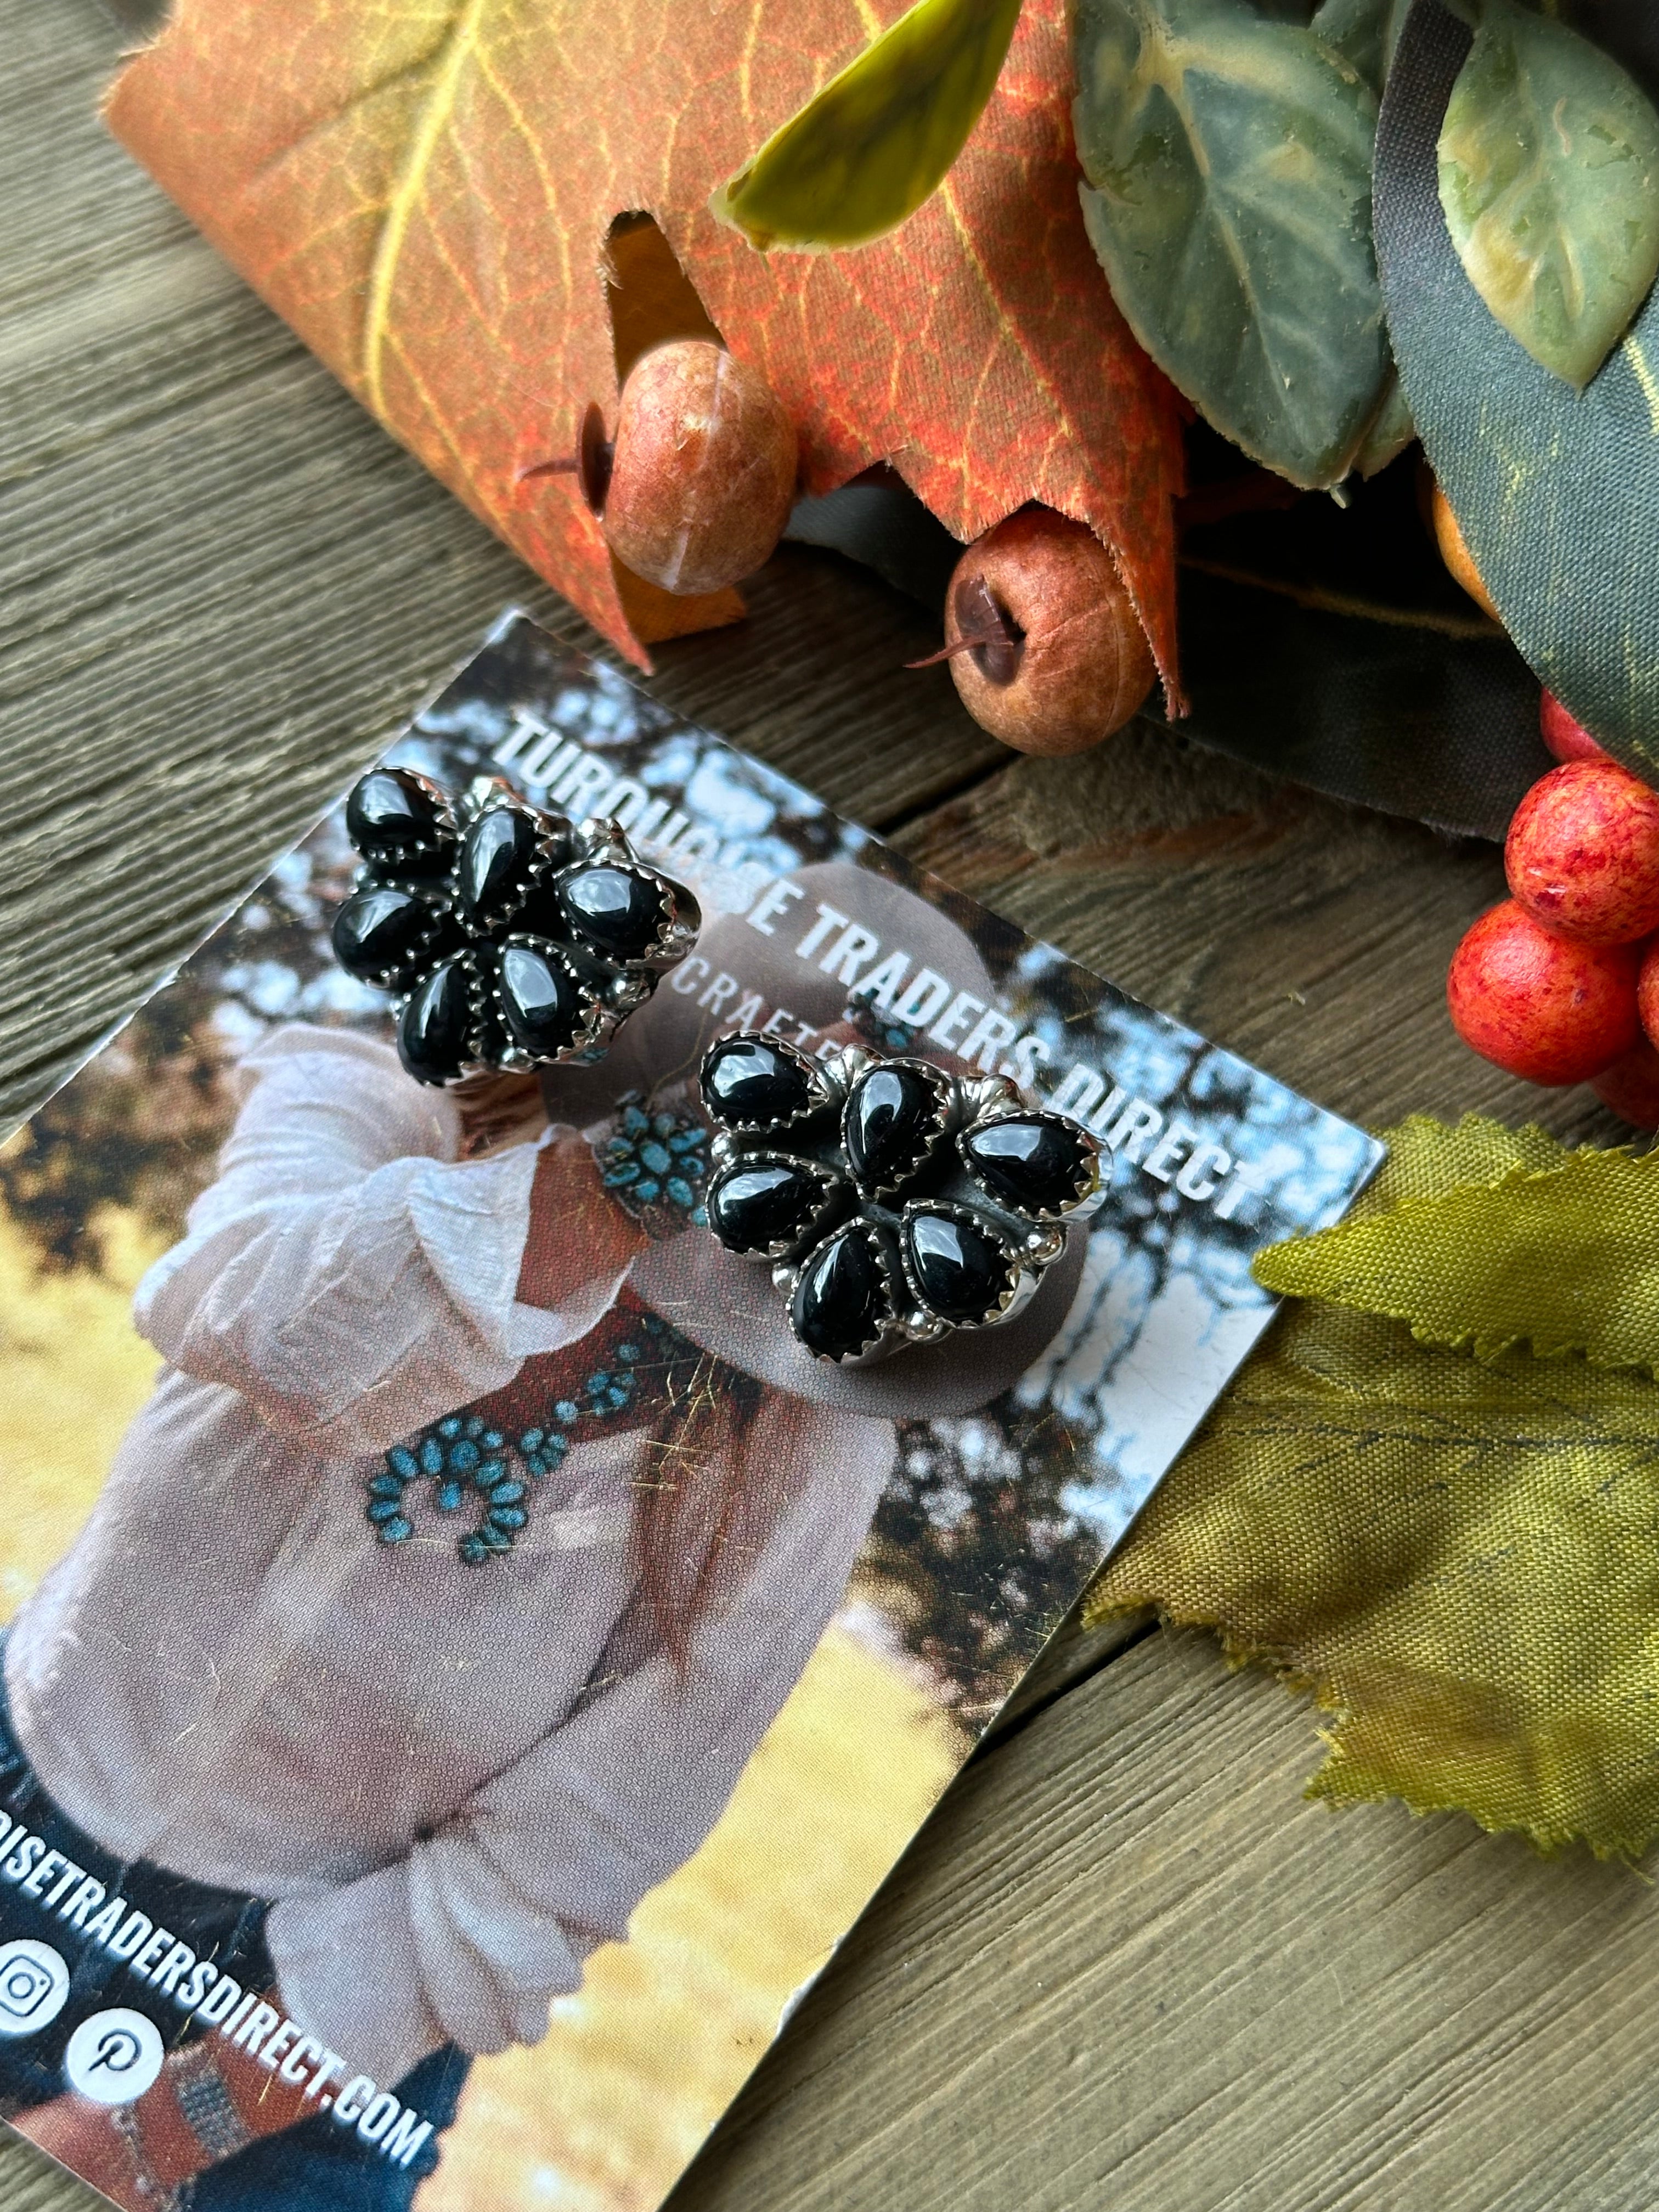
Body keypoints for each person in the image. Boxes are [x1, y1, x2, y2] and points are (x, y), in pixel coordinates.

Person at [0, 862, 1082, 2211]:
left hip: (296, 2028)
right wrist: (648, 1172)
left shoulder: (802, 1452)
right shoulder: (381, 1100)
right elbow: (251, 1322)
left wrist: (143, 2140)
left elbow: (542, 1878)